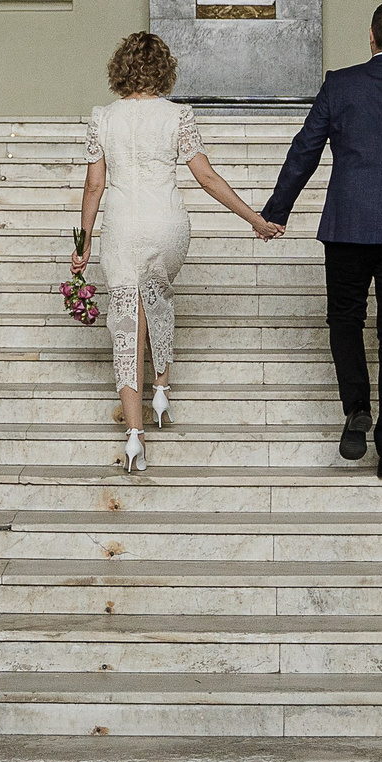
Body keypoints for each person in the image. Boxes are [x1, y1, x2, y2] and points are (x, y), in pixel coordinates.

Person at [258, 1, 382, 480]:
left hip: (347, 226)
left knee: (345, 320)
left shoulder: (341, 84)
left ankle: (356, 408)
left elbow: (304, 148)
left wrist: (276, 211)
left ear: (370, 36)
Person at [75, 32, 278, 473]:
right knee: (157, 293)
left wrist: (84, 239)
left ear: (120, 69)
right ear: (163, 70)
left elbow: (94, 185)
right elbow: (206, 177)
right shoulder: (178, 116)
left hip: (124, 225)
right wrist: (254, 219)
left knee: (127, 320)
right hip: (167, 223)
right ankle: (162, 386)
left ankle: (134, 436)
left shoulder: (103, 118)